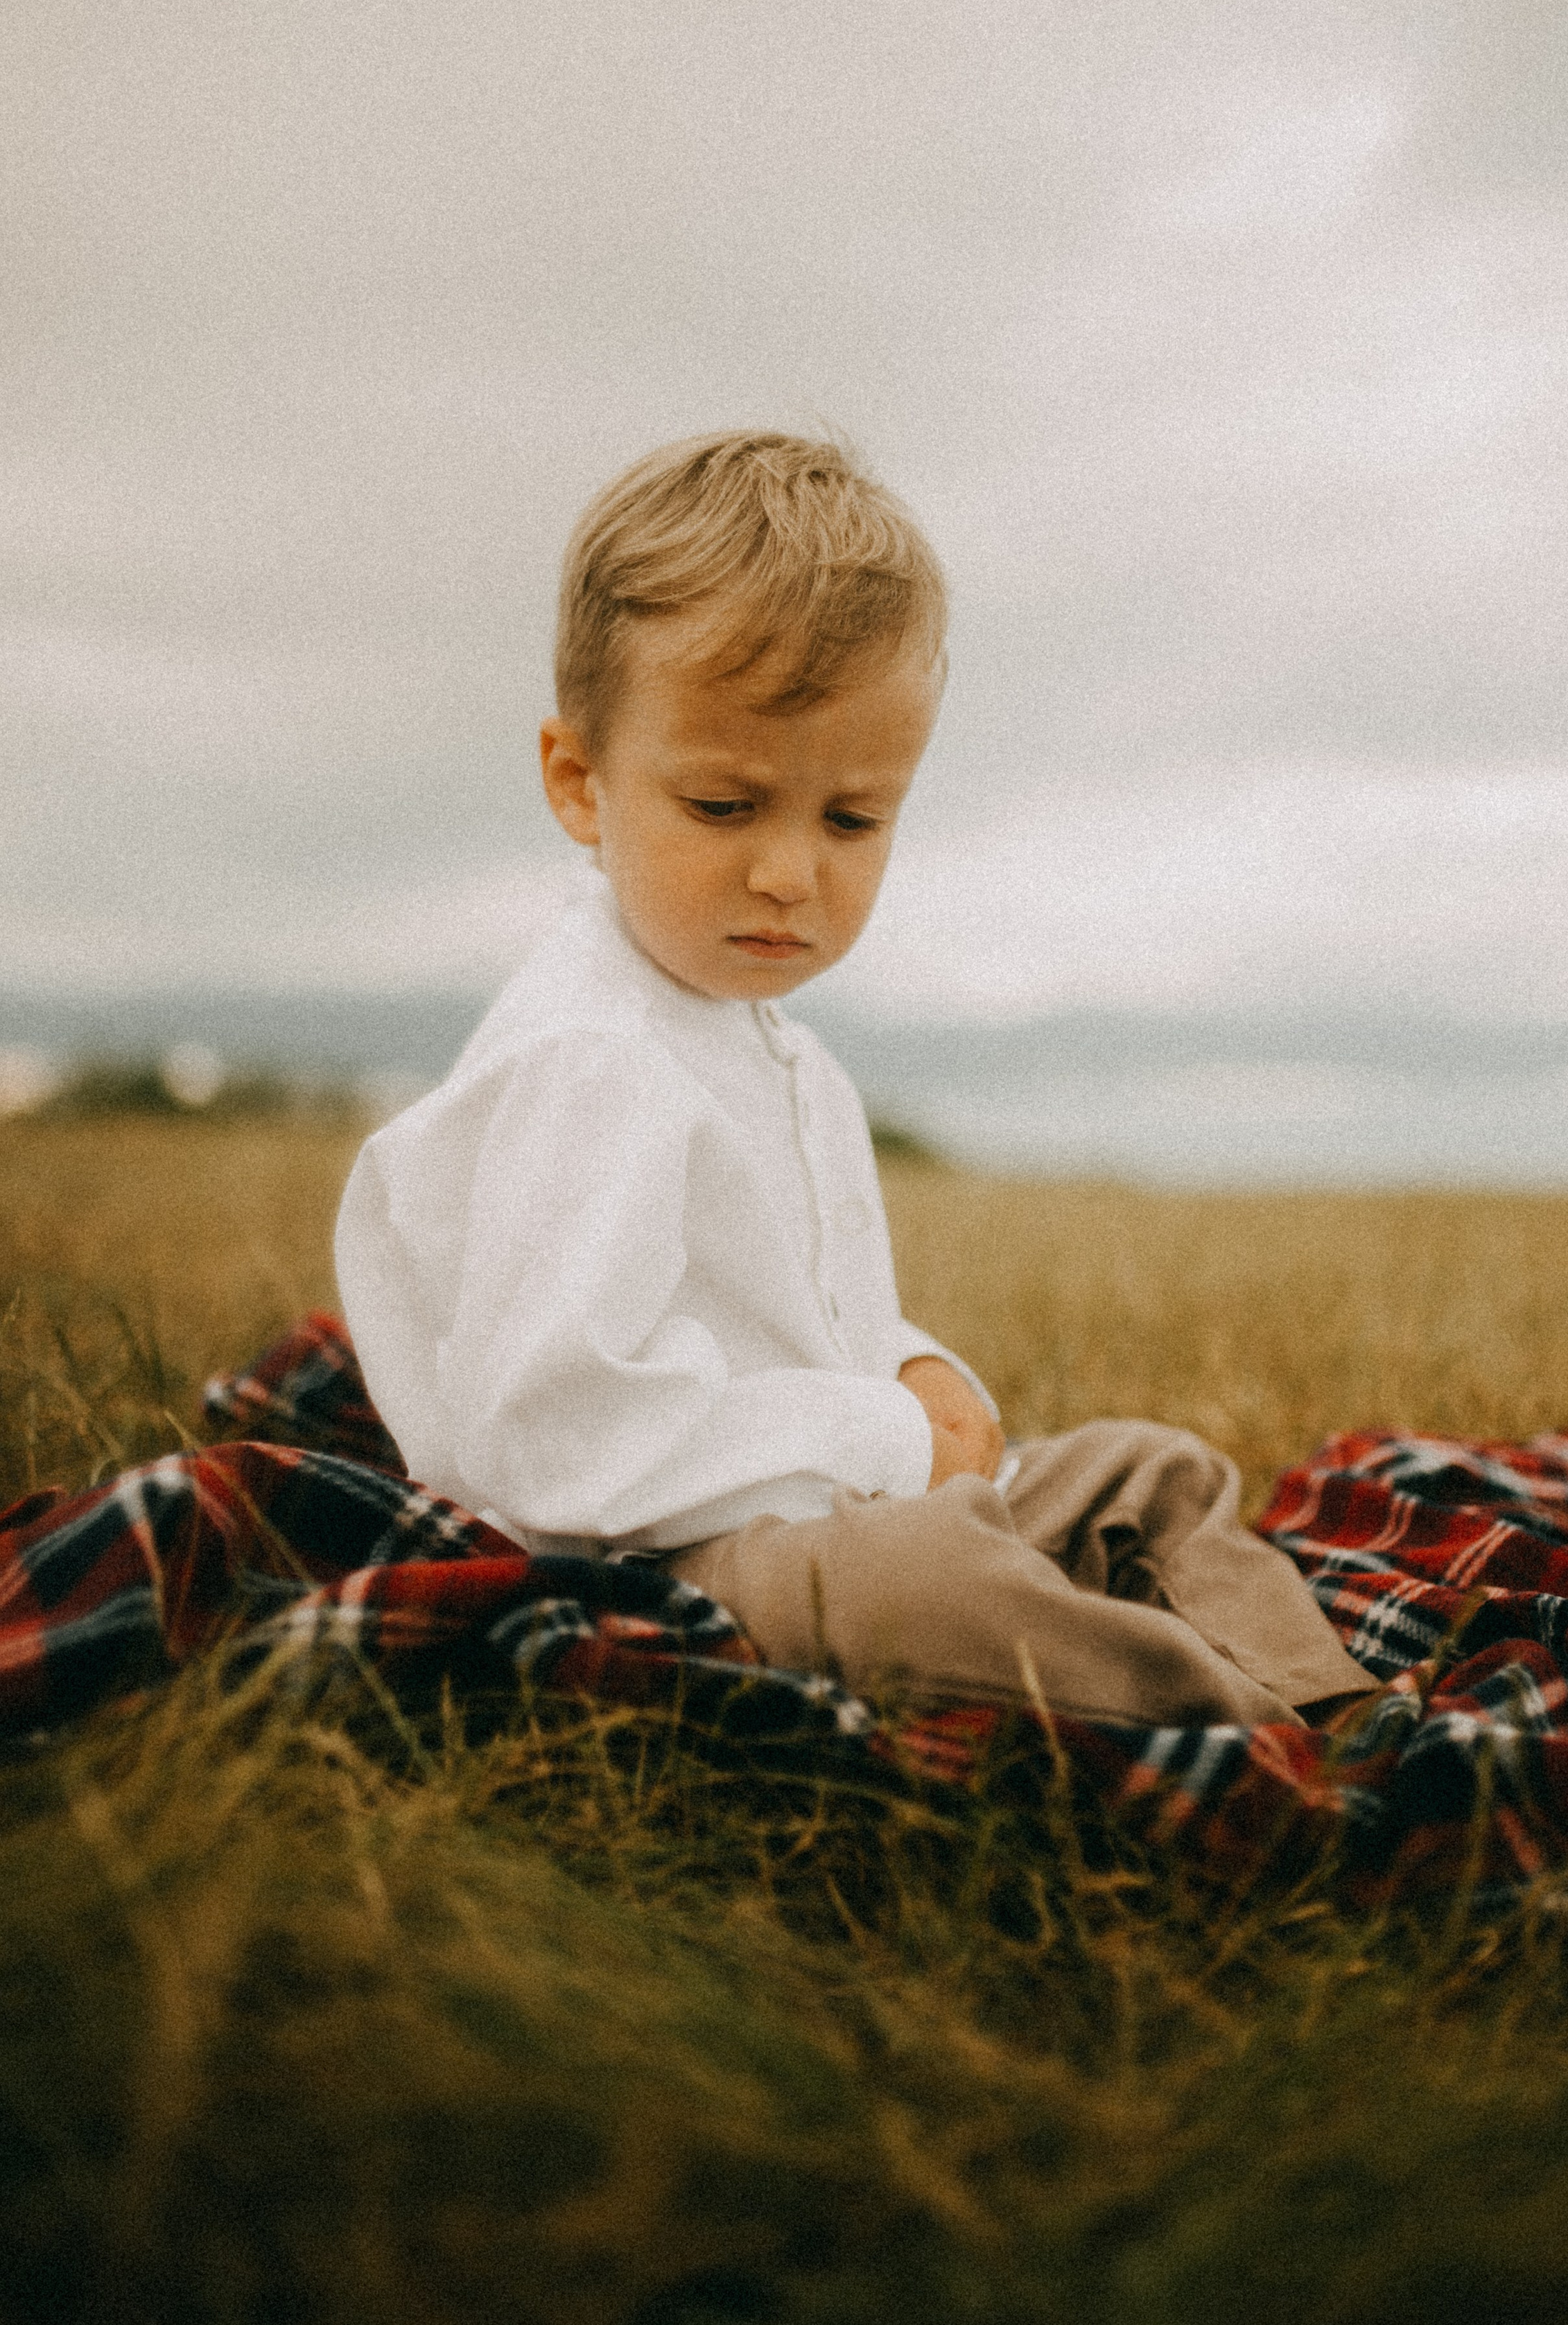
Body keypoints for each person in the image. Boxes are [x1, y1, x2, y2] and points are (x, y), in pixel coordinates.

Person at [336, 433, 1375, 1729]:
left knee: (1146, 1472)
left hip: (827, 1501)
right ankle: (1234, 1733)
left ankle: (1334, 1706)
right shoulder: (593, 1062)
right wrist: (881, 1438)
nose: (791, 873)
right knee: (933, 1578)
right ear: (579, 783)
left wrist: (917, 1370)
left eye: (850, 820)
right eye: (725, 806)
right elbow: (557, 1442)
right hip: (655, 1563)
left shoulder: (778, 1051)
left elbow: (811, 1323)